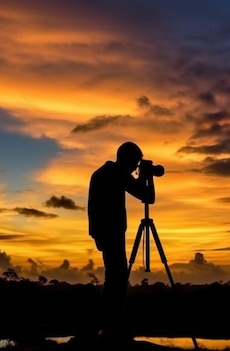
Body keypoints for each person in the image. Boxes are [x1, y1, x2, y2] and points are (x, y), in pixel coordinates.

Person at [87, 141, 155, 345]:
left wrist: (143, 174)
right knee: (117, 279)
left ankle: (110, 325)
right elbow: (147, 197)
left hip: (105, 231)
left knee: (115, 278)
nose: (135, 168)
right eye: (135, 163)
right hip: (111, 232)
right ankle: (112, 327)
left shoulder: (104, 172)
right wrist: (147, 176)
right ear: (127, 160)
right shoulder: (115, 174)